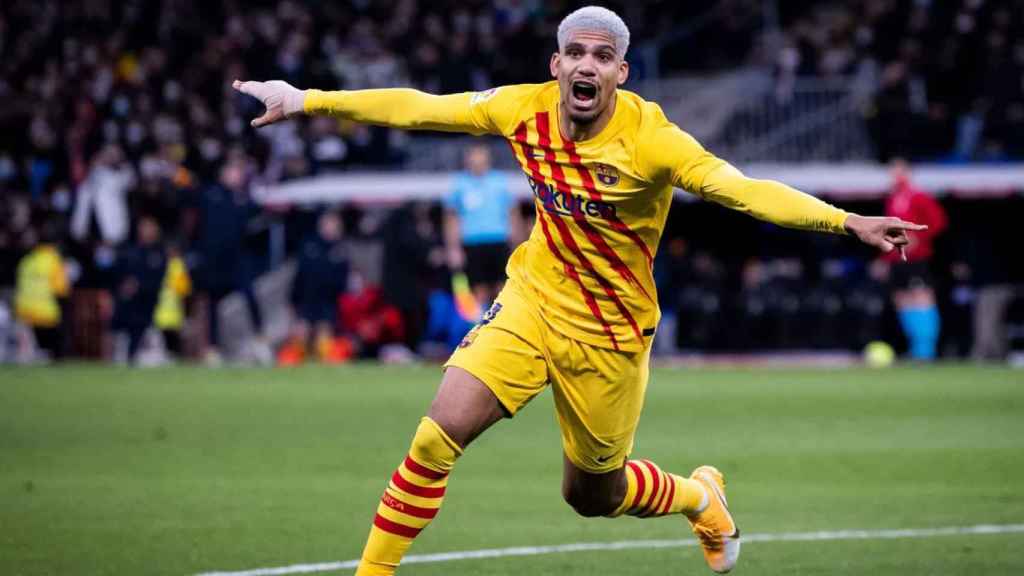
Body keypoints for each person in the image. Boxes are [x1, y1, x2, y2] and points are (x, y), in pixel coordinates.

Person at [233, 6, 924, 574]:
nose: (587, 65)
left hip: (611, 334)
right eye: (576, 53)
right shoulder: (520, 110)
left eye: (603, 56)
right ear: (556, 65)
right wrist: (307, 100)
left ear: (621, 72)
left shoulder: (653, 140)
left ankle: (698, 496)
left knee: (593, 494)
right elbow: (420, 108)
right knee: (435, 435)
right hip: (532, 301)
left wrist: (845, 221)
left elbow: (742, 190)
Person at [884, 160, 948, 360]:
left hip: (916, 259)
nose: (895, 175)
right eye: (892, 171)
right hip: (897, 259)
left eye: (899, 171)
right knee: (901, 300)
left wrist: (918, 239)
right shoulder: (893, 198)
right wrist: (884, 258)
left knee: (921, 298)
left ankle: (926, 350)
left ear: (908, 173)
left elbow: (939, 222)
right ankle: (915, 347)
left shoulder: (919, 196)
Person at [444, 144, 519, 310]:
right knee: (479, 290)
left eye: (481, 158)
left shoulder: (500, 181)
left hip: (498, 240)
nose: (478, 162)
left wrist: (516, 244)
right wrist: (453, 248)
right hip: (473, 243)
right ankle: (481, 328)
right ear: (468, 160)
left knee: (502, 289)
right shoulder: (460, 183)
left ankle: (501, 327)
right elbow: (452, 218)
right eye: (474, 158)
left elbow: (513, 214)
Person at [15, 226, 69, 360]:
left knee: (29, 349)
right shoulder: (54, 260)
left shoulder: (27, 260)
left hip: (24, 311)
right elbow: (62, 290)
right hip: (46, 313)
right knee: (56, 345)